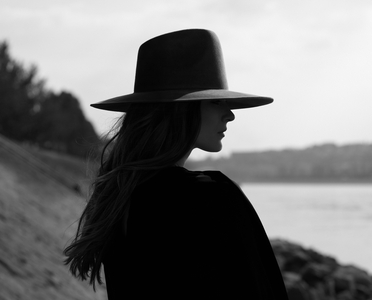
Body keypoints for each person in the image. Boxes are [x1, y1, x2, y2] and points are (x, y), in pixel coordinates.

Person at [64, 29, 289, 299]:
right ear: (181, 109)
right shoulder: (211, 197)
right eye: (216, 101)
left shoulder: (120, 198)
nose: (230, 115)